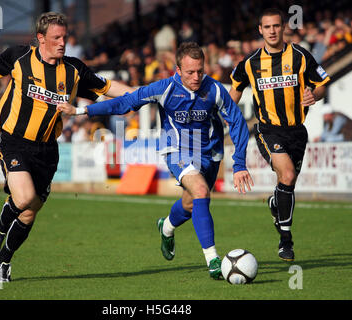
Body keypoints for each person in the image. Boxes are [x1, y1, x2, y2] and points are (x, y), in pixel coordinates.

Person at [0, 12, 134, 283]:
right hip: (14, 140)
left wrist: (143, 92)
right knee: (23, 197)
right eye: (56, 38)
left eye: (65, 37)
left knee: (29, 210)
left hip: (47, 149)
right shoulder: (18, 56)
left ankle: (4, 260)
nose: (63, 42)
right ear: (41, 39)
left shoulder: (73, 70)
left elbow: (107, 87)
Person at [57, 42, 254, 280]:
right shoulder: (164, 88)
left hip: (209, 154)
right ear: (177, 70)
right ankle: (212, 259)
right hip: (177, 150)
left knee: (192, 203)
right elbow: (125, 102)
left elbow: (237, 122)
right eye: (190, 72)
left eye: (200, 71)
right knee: (201, 192)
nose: (196, 77)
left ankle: (167, 226)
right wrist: (81, 111)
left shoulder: (214, 90)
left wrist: (240, 163)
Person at [229, 8, 330, 261]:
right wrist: (222, 117)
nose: (272, 31)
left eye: (276, 26)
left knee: (287, 183)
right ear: (260, 30)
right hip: (268, 130)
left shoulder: (300, 56)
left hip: (297, 131)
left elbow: (321, 86)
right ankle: (286, 240)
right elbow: (235, 92)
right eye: (267, 27)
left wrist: (313, 95)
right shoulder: (250, 63)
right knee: (287, 174)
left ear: (283, 27)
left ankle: (276, 204)